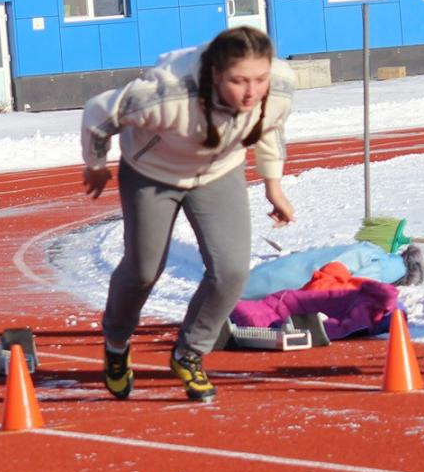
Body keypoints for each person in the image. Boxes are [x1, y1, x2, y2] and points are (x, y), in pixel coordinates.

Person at [81, 27, 296, 404]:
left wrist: (272, 184)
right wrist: (96, 164)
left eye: (259, 79)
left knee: (231, 270)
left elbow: (270, 126)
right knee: (144, 269)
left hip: (218, 171)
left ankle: (190, 353)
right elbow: (100, 112)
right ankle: (116, 343)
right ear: (215, 74)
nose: (251, 91)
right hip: (152, 171)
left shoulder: (277, 85)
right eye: (238, 81)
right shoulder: (167, 95)